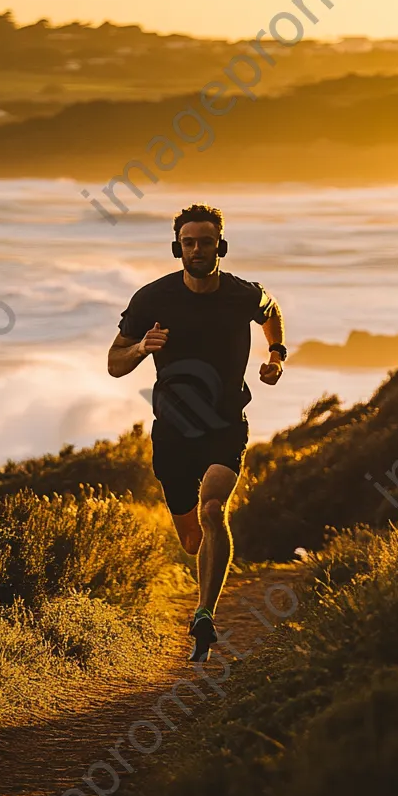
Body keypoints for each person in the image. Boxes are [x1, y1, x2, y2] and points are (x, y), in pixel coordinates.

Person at [107, 204, 286, 661]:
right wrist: (142, 349)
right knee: (191, 538)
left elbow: (271, 310)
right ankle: (203, 575)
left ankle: (204, 613)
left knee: (212, 508)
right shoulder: (151, 300)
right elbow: (113, 363)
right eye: (189, 243)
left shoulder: (242, 294)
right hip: (173, 432)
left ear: (220, 246)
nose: (198, 250)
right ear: (177, 248)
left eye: (206, 242)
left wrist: (277, 353)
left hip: (226, 424)